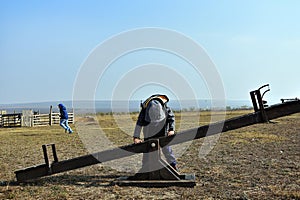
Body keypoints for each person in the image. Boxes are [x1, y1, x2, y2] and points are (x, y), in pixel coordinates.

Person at [133, 94, 177, 170]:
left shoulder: (165, 108)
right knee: (147, 149)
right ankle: (145, 168)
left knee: (166, 149)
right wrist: (136, 137)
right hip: (149, 132)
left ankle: (173, 166)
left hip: (162, 131)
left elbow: (171, 118)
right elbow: (139, 123)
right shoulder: (144, 110)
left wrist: (171, 129)